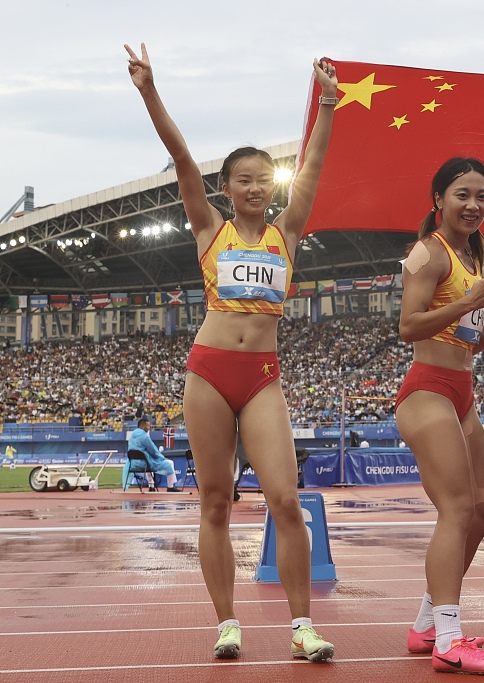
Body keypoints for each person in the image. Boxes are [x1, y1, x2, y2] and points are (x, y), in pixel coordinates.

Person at [126, 43, 336, 661]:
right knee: (214, 500)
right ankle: (227, 622)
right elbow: (181, 156)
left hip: (262, 375)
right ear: (227, 187)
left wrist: (327, 104)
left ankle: (302, 627)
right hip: (210, 372)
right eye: (243, 180)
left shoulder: (286, 232)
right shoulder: (208, 228)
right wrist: (148, 92)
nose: (255, 188)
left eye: (263, 180)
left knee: (285, 499)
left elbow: (316, 166)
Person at [395, 157, 484, 675]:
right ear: (439, 201)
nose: (473, 205)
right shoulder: (428, 252)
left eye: (481, 196)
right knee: (455, 509)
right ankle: (449, 638)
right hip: (426, 390)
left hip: (462, 388)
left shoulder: (473, 256)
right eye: (462, 195)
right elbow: (409, 326)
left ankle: (428, 621)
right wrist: (468, 300)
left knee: (482, 509)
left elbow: (466, 343)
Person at [128, 417, 181, 492]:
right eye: (148, 426)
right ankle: (170, 487)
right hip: (145, 464)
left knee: (147, 463)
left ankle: (151, 486)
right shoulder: (144, 437)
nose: (149, 428)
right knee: (170, 463)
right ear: (142, 426)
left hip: (134, 464)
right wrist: (162, 457)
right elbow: (153, 450)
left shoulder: (132, 436)